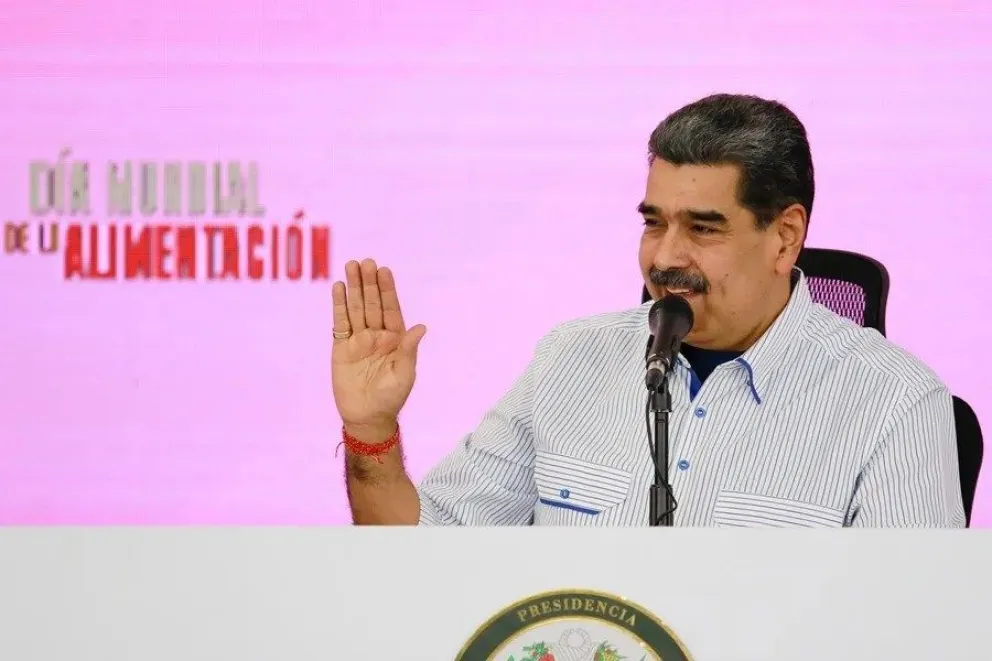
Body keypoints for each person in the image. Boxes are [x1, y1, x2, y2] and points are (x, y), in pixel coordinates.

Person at [331, 93, 965, 527]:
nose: (666, 255)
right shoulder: (570, 361)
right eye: (654, 222)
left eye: (704, 228)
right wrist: (371, 432)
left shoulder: (894, 403)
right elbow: (423, 555)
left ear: (784, 237)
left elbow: (914, 627)